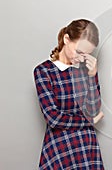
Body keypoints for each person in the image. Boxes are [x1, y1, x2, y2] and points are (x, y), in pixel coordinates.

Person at [33, 19, 105, 169]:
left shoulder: (86, 71)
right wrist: (89, 122)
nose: (80, 58)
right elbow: (53, 118)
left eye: (86, 55)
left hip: (87, 145)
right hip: (60, 146)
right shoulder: (43, 71)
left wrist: (92, 76)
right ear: (66, 39)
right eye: (79, 52)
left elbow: (94, 110)